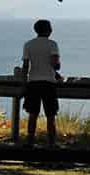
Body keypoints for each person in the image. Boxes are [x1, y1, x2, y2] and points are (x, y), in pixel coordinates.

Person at [21, 19, 62, 147]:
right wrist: (57, 67)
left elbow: (26, 66)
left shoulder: (28, 44)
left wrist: (24, 83)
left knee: (32, 114)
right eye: (50, 27)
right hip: (49, 83)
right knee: (50, 115)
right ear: (48, 30)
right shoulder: (52, 44)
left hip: (33, 82)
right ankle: (51, 143)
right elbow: (55, 65)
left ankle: (30, 142)